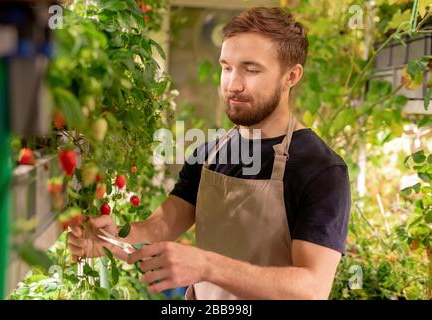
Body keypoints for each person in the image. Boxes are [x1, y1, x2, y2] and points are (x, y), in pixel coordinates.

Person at [69, 7, 351, 300]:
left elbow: (312, 288)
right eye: (226, 67)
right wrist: (114, 239)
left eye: (251, 70)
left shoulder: (319, 169)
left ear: (291, 76)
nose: (233, 85)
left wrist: (207, 265)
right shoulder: (210, 154)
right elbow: (163, 224)